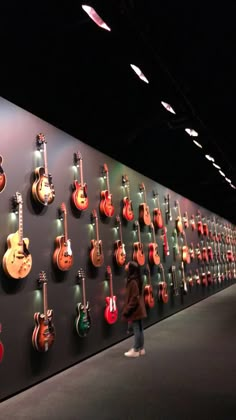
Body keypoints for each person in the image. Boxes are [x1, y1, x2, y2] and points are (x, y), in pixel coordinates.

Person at [122, 260, 147, 358]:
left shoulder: (132, 282)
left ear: (131, 268)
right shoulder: (136, 280)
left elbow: (134, 297)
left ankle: (136, 349)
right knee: (140, 328)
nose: (126, 265)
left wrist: (127, 309)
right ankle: (141, 348)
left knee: (137, 329)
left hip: (136, 309)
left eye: (128, 264)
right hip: (139, 308)